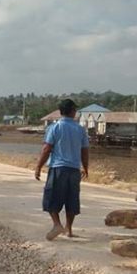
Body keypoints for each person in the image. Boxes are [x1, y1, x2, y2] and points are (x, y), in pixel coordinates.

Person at [35, 99, 89, 240]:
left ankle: (57, 224)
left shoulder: (55, 127)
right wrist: (85, 167)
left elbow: (47, 149)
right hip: (74, 170)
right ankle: (68, 230)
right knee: (71, 199)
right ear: (72, 111)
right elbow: (85, 151)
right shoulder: (80, 129)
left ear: (61, 111)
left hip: (58, 168)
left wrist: (38, 167)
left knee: (52, 198)